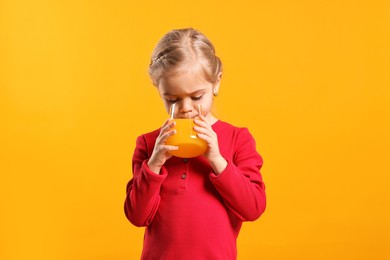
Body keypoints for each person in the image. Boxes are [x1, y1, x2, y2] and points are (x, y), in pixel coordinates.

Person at [124, 28, 266, 260]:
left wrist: (217, 160)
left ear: (216, 83)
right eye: (172, 99)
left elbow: (253, 208)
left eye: (197, 96)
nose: (186, 107)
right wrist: (154, 164)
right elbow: (137, 216)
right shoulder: (149, 144)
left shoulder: (237, 139)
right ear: (159, 90)